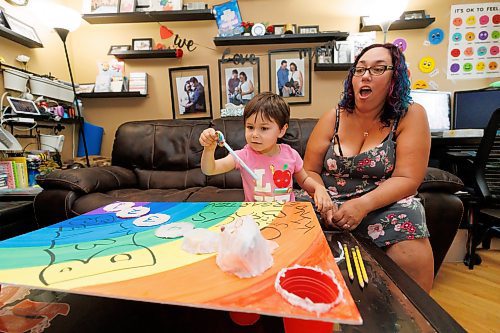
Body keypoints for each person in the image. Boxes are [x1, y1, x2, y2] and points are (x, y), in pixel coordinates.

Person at [299, 43, 433, 292]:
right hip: (327, 204)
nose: (366, 75)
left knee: (410, 211)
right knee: (292, 210)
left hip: (379, 205)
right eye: (359, 70)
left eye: (378, 68)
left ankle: (411, 312)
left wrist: (362, 205)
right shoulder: (333, 116)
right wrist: (322, 198)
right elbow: (309, 170)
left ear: (396, 78)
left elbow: (407, 178)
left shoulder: (410, 115)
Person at [199, 92, 333, 212]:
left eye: (264, 128)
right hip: (255, 218)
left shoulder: (291, 155)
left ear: (282, 130)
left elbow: (304, 180)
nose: (255, 134)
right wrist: (209, 150)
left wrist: (318, 188)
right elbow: (210, 170)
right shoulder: (242, 156)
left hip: (287, 216)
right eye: (250, 127)